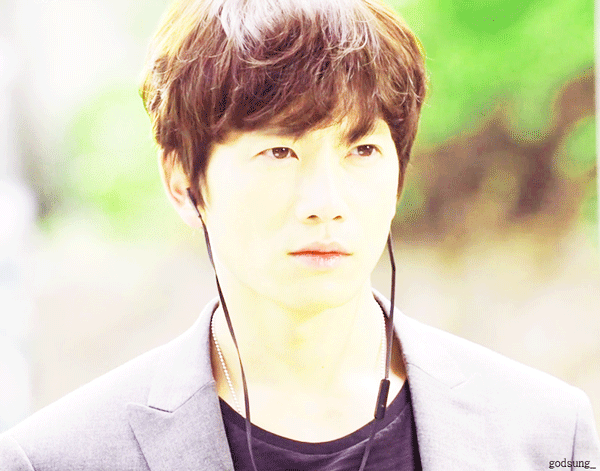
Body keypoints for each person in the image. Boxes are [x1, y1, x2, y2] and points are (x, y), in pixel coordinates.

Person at [1, 0, 599, 469]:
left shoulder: (548, 432)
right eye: (279, 151)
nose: (325, 204)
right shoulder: (56, 457)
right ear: (183, 179)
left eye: (361, 150)